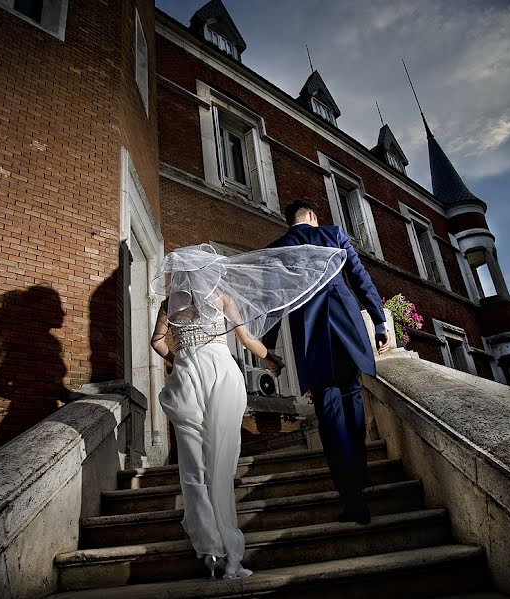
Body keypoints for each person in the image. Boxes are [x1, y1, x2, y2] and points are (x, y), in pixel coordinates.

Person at [149, 243, 345, 579]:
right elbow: (246, 339)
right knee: (222, 463)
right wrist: (270, 357)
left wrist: (178, 357)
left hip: (186, 378)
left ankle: (209, 550)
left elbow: (157, 342)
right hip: (221, 375)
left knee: (192, 465)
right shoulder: (222, 297)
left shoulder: (170, 304)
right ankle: (232, 558)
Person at [263, 200, 389, 525]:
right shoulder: (333, 234)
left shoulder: (279, 248)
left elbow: (276, 303)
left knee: (330, 414)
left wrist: (268, 349)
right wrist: (378, 321)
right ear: (313, 217)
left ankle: (352, 500)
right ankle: (360, 480)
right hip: (346, 326)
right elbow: (360, 277)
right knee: (352, 399)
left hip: (312, 334)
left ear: (289, 221)